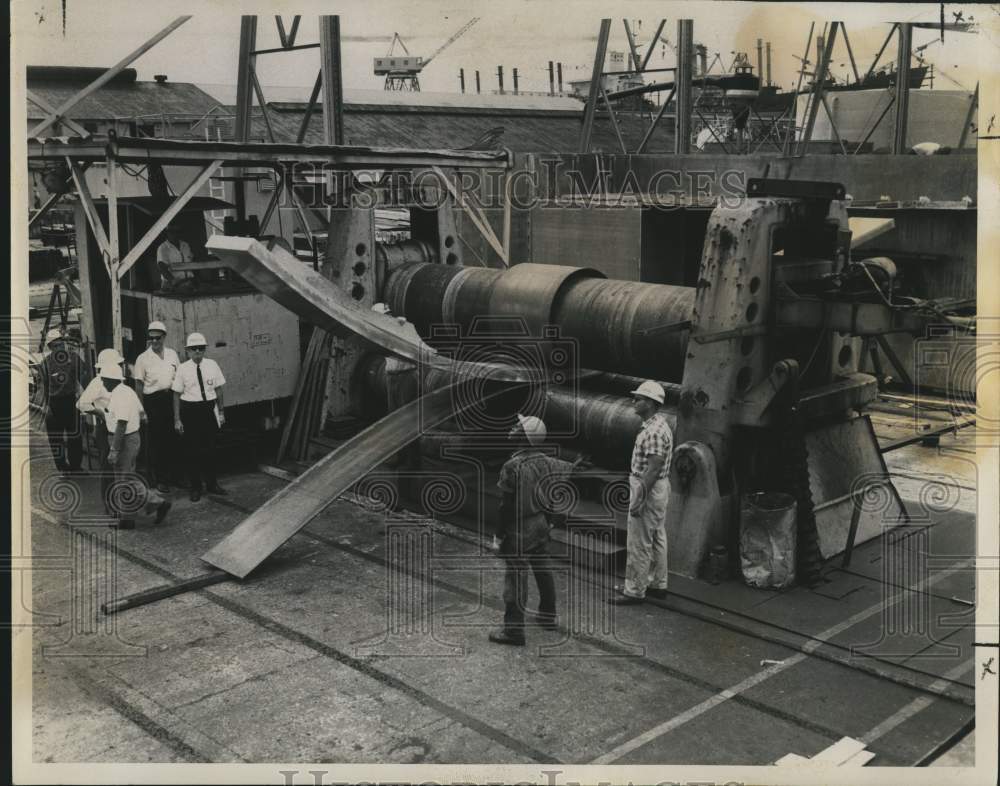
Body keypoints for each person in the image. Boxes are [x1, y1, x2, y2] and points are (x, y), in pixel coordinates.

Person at [488, 414, 578, 646]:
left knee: (516, 578)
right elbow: (554, 493)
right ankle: (548, 616)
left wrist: (498, 537)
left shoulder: (512, 466)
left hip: (519, 528)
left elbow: (505, 506)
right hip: (539, 523)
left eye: (517, 426)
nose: (512, 427)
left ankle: (514, 631)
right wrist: (548, 521)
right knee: (543, 570)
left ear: (525, 436)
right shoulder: (547, 462)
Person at [608, 380, 673, 605]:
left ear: (651, 403)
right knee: (656, 537)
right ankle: (658, 584)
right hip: (658, 487)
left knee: (639, 541)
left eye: (639, 399)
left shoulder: (653, 431)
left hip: (648, 486)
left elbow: (653, 469)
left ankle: (634, 590)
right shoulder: (660, 424)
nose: (634, 401)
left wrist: (639, 499)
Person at [101, 363, 171, 529]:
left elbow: (122, 423)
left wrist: (114, 449)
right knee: (125, 479)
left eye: (104, 379)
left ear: (112, 380)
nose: (103, 382)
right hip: (131, 438)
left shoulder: (119, 396)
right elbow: (141, 413)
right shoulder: (127, 391)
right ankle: (129, 517)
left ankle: (155, 504)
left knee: (125, 480)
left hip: (124, 440)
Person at [172, 332, 227, 502]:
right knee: (192, 451)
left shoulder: (212, 365)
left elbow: (218, 390)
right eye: (193, 349)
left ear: (204, 350)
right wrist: (177, 419)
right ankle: (195, 487)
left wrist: (221, 411)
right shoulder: (182, 368)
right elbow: (176, 395)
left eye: (200, 349)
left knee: (210, 449)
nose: (197, 352)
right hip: (190, 411)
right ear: (187, 351)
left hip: (208, 410)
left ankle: (212, 484)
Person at [133, 321, 180, 491]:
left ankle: (175, 476)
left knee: (173, 440)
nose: (154, 341)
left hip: (171, 399)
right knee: (156, 443)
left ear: (164, 337)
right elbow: (139, 386)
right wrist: (141, 411)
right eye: (151, 338)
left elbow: (178, 377)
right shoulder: (142, 359)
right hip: (153, 402)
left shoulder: (173, 354)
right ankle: (160, 479)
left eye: (157, 338)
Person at [77, 348, 124, 507]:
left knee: (120, 466)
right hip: (105, 429)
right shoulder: (98, 382)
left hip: (119, 427)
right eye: (118, 363)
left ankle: (121, 499)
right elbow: (81, 403)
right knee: (108, 467)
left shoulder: (117, 379)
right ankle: (109, 503)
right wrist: (100, 413)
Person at [39, 328, 89, 473]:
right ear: (50, 347)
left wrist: (87, 400)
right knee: (56, 440)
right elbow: (43, 387)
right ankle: (62, 468)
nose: (59, 347)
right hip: (54, 404)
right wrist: (45, 407)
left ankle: (75, 467)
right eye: (55, 345)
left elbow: (85, 379)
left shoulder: (74, 358)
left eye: (61, 343)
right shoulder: (45, 364)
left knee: (75, 436)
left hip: (71, 401)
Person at [156, 225, 193, 291]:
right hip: (171, 285)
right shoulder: (163, 248)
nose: (175, 234)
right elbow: (161, 267)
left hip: (188, 283)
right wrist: (173, 281)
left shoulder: (185, 245)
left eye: (177, 232)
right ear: (167, 233)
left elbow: (192, 261)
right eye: (172, 232)